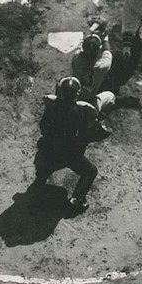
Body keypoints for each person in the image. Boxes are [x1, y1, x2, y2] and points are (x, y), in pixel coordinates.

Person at [33, 76, 100, 212]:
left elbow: (43, 127)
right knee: (91, 171)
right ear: (77, 94)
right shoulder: (80, 112)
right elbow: (82, 135)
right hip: (66, 155)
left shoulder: (51, 106)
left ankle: (42, 172)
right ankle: (77, 200)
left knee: (44, 147)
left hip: (47, 150)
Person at [72, 23, 115, 130]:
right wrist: (105, 38)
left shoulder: (76, 60)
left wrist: (90, 32)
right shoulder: (103, 65)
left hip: (73, 99)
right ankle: (97, 119)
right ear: (97, 51)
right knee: (111, 96)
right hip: (90, 103)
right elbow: (107, 50)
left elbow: (81, 44)